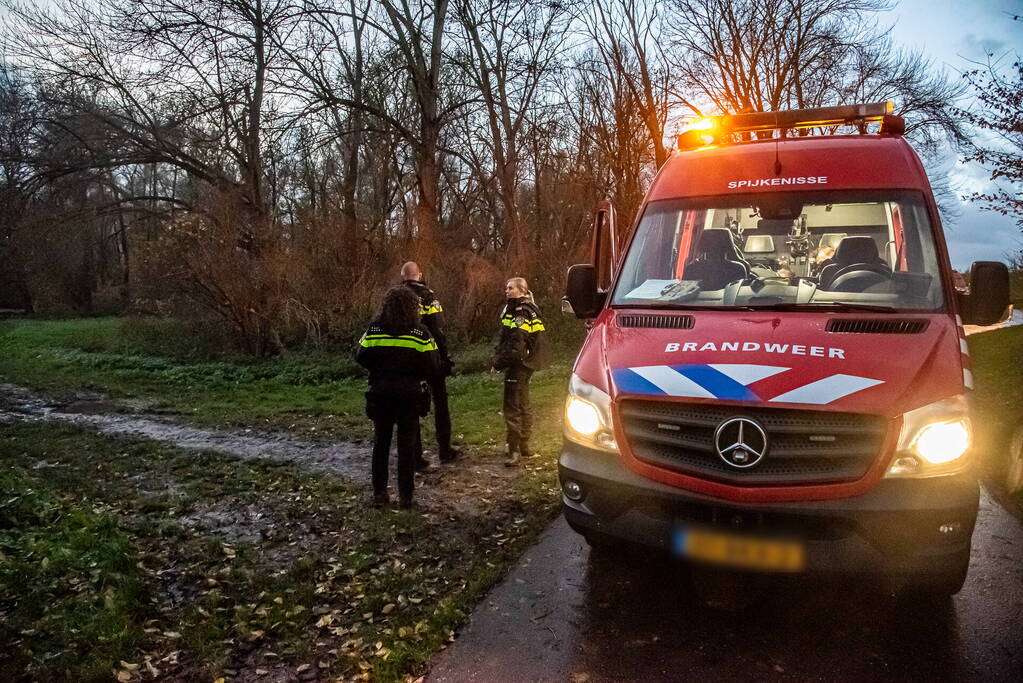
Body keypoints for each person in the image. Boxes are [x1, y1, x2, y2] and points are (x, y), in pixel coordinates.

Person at [356, 286, 441, 509]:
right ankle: (406, 498)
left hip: (381, 394)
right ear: (413, 307)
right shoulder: (420, 332)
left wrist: (380, 368)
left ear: (386, 306)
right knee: (407, 447)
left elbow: (360, 355)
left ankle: (379, 494)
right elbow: (433, 365)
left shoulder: (374, 330)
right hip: (410, 396)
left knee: (380, 444)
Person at [400, 261, 460, 465]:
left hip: (407, 358)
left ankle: (415, 454)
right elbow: (438, 327)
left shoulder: (397, 296)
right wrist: (444, 356)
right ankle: (445, 449)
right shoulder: (428, 295)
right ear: (420, 274)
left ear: (403, 276)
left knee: (410, 405)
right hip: (430, 355)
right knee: (440, 402)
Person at [493, 277, 549, 467]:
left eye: (510, 288)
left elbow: (517, 343)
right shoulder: (529, 308)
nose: (506, 291)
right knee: (524, 402)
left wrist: (499, 362)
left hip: (519, 364)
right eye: (506, 288)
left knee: (512, 406)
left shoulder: (520, 311)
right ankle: (524, 445)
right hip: (528, 363)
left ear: (522, 290)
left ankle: (514, 450)